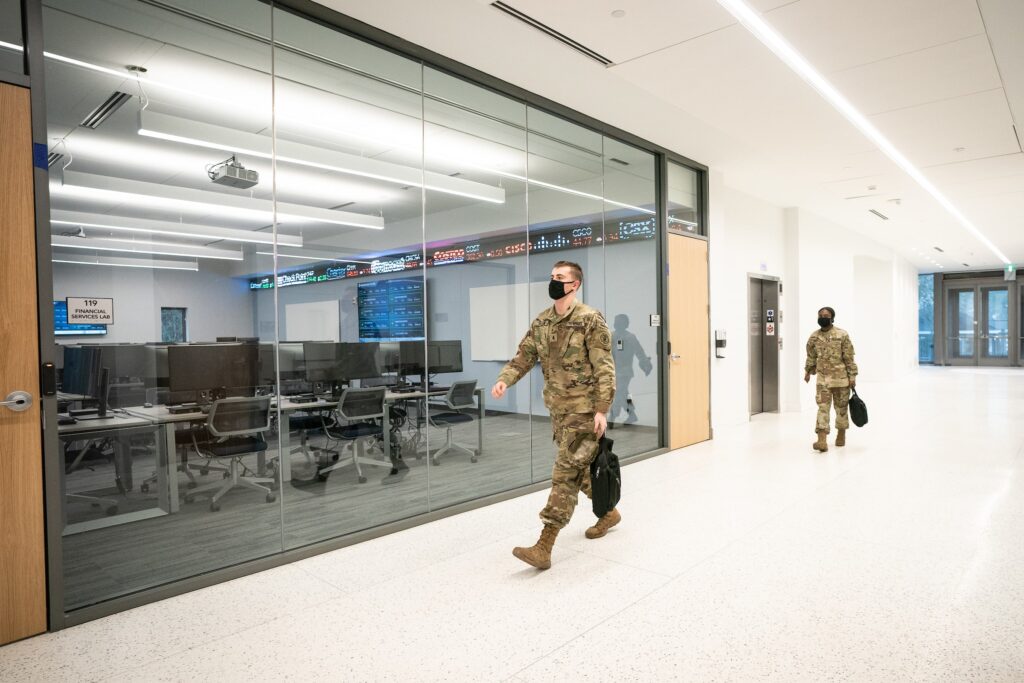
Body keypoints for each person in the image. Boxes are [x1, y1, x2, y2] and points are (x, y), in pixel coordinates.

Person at [492, 261, 617, 569]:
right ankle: (608, 512)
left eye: (559, 278)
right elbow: (524, 356)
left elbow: (605, 367)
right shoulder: (543, 321)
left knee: (564, 473)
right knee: (579, 472)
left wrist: (602, 409)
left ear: (574, 285)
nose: (554, 282)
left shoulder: (590, 320)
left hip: (584, 411)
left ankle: (544, 546)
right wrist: (504, 380)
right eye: (552, 277)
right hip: (558, 412)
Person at [803, 306, 858, 452]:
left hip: (841, 380)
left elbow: (849, 357)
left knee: (841, 409)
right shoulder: (814, 337)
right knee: (823, 408)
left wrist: (852, 376)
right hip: (823, 381)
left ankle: (841, 435)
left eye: (826, 315)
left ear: (832, 317)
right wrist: (808, 371)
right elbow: (811, 356)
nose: (823, 317)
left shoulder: (842, 335)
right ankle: (822, 440)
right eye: (820, 315)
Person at [608, 314, 653, 428]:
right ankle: (632, 414)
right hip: (614, 371)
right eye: (615, 321)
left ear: (625, 324)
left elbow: (639, 352)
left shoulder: (630, 337)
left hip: (625, 372)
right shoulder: (612, 336)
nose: (616, 323)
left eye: (619, 321)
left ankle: (612, 417)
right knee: (624, 394)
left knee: (618, 393)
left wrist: (645, 364)